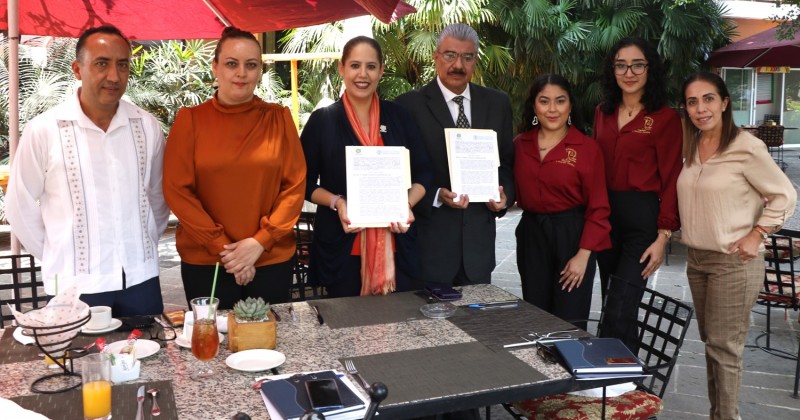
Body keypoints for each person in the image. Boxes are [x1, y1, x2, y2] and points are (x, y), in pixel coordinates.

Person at [6, 25, 169, 317]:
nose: (114, 76)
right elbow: (19, 205)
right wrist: (60, 252)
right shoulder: (45, 130)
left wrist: (140, 244)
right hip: (74, 285)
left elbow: (158, 197)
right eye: (101, 63)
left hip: (140, 278)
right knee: (78, 349)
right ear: (77, 69)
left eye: (122, 65)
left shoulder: (146, 127)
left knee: (148, 347)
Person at [678, 72, 796, 420]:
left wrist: (757, 233)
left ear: (725, 103)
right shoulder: (692, 145)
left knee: (725, 348)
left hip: (733, 261)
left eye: (708, 99)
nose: (701, 108)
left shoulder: (746, 147)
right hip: (697, 260)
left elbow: (784, 195)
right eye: (692, 102)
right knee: (713, 344)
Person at [163, 27, 306, 309]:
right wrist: (226, 250)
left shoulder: (278, 119)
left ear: (259, 71)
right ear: (215, 67)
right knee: (213, 335)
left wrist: (260, 241)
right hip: (207, 260)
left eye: (251, 65)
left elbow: (294, 186)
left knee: (268, 334)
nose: (241, 73)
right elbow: (177, 190)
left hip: (269, 257)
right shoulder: (191, 120)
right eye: (231, 63)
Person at [300, 36, 432, 298]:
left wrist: (405, 204)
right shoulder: (323, 121)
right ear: (341, 68)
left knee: (399, 320)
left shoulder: (399, 117)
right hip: (342, 250)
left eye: (371, 66)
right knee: (345, 321)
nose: (363, 74)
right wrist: (338, 202)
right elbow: (303, 183)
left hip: (398, 246)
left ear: (381, 71)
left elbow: (424, 173)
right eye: (355, 65)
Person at [395, 23, 514, 290]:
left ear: (475, 60)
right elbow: (401, 174)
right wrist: (436, 195)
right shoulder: (408, 106)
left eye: (467, 57)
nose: (458, 65)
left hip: (478, 250)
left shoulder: (498, 104)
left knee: (476, 316)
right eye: (450, 55)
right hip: (430, 248)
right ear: (436, 57)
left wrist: (504, 196)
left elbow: (506, 162)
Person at [592, 37, 682, 351]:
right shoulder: (602, 113)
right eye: (621, 65)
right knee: (613, 301)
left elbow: (672, 177)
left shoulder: (665, 118)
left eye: (637, 65)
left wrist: (664, 235)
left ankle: (607, 367)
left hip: (641, 221)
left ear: (650, 68)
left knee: (621, 303)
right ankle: (625, 372)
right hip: (605, 218)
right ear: (612, 70)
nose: (628, 73)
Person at [513, 74, 611, 330]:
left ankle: (569, 358)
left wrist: (583, 256)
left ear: (570, 105)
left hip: (573, 236)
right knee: (535, 315)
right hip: (532, 236)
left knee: (569, 319)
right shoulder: (519, 145)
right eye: (544, 101)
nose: (552, 109)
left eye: (560, 100)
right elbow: (508, 189)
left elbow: (599, 208)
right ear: (534, 106)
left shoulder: (587, 148)